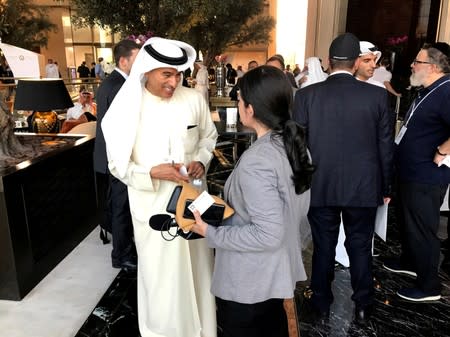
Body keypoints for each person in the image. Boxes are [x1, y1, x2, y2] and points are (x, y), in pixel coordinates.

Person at [101, 37, 218, 337]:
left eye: (178, 74)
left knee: (198, 268)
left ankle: (202, 329)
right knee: (162, 277)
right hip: (152, 206)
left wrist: (202, 161)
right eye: (167, 74)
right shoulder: (127, 108)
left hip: (193, 203)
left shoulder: (193, 99)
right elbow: (117, 164)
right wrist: (151, 171)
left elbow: (208, 137)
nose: (174, 81)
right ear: (148, 70)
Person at [191, 65, 314, 337]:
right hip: (274, 274)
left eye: (239, 99)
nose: (237, 103)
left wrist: (210, 233)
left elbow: (268, 233)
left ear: (251, 109)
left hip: (250, 282)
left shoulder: (257, 161)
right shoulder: (294, 144)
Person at [292, 32, 394, 324]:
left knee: (324, 246)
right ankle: (363, 306)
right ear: (355, 63)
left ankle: (321, 306)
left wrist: (301, 184)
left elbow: (297, 146)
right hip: (363, 187)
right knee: (359, 246)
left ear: (327, 62)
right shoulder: (377, 95)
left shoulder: (306, 95)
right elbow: (384, 146)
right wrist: (385, 186)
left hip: (320, 186)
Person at [383, 42, 450, 302]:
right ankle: (411, 262)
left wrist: (443, 150)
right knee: (409, 223)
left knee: (422, 228)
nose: (412, 65)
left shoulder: (446, 90)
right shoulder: (428, 89)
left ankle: (429, 285)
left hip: (426, 176)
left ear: (432, 67)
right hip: (411, 171)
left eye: (417, 62)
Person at [93, 40, 140, 272]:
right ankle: (121, 256)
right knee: (121, 208)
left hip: (108, 156)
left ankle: (122, 251)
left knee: (117, 205)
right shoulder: (121, 85)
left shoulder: (110, 82)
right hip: (117, 157)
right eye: (136, 59)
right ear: (123, 61)